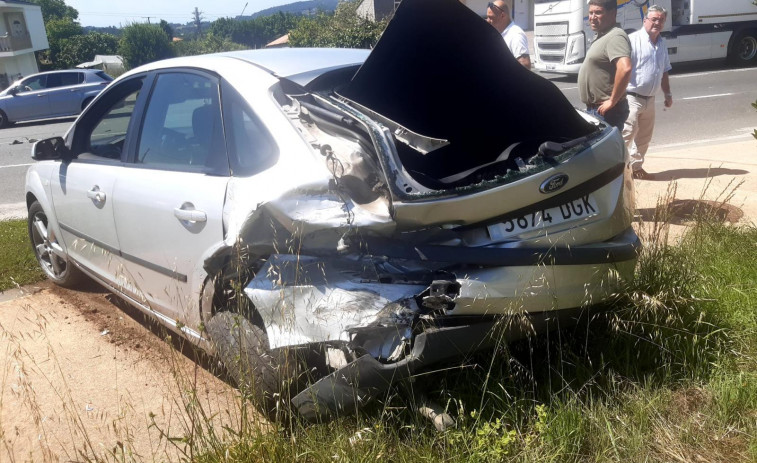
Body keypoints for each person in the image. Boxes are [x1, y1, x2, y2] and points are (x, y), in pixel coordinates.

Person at [623, 5, 673, 180]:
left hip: (650, 99)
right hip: (631, 98)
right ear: (645, 20)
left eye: (661, 20)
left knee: (644, 137)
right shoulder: (632, 40)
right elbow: (621, 69)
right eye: (654, 19)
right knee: (626, 135)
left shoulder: (662, 43)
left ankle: (636, 168)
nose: (657, 23)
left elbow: (665, 70)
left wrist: (668, 94)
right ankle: (618, 171)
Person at [578, 0, 632, 131]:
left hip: (606, 112)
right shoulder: (603, 36)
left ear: (613, 13)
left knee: (606, 151)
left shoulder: (615, 36)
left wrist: (612, 101)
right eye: (591, 13)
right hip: (597, 110)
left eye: (598, 12)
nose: (592, 17)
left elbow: (625, 68)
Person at [486, 0, 532, 69]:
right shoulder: (498, 33)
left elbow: (525, 65)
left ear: (503, 15)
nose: (488, 21)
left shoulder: (516, 35)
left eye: (491, 18)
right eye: (487, 17)